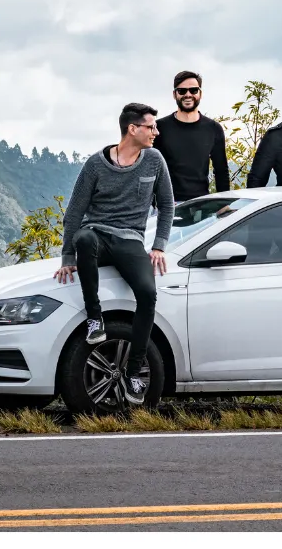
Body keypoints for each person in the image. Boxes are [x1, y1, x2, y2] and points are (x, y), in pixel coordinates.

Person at [55, 102, 175, 406]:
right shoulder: (96, 164)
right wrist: (68, 257)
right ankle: (95, 319)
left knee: (148, 293)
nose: (156, 132)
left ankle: (134, 373)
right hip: (97, 234)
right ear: (132, 129)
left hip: (130, 240)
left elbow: (167, 205)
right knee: (84, 237)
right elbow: (74, 212)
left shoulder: (155, 160)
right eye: (151, 127)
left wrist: (159, 244)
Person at [153, 70, 231, 203]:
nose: (188, 95)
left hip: (201, 204)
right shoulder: (159, 128)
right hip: (166, 205)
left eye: (193, 90)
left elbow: (221, 171)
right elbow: (149, 168)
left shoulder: (213, 129)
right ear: (174, 94)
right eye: (182, 91)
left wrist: (223, 204)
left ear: (200, 93)